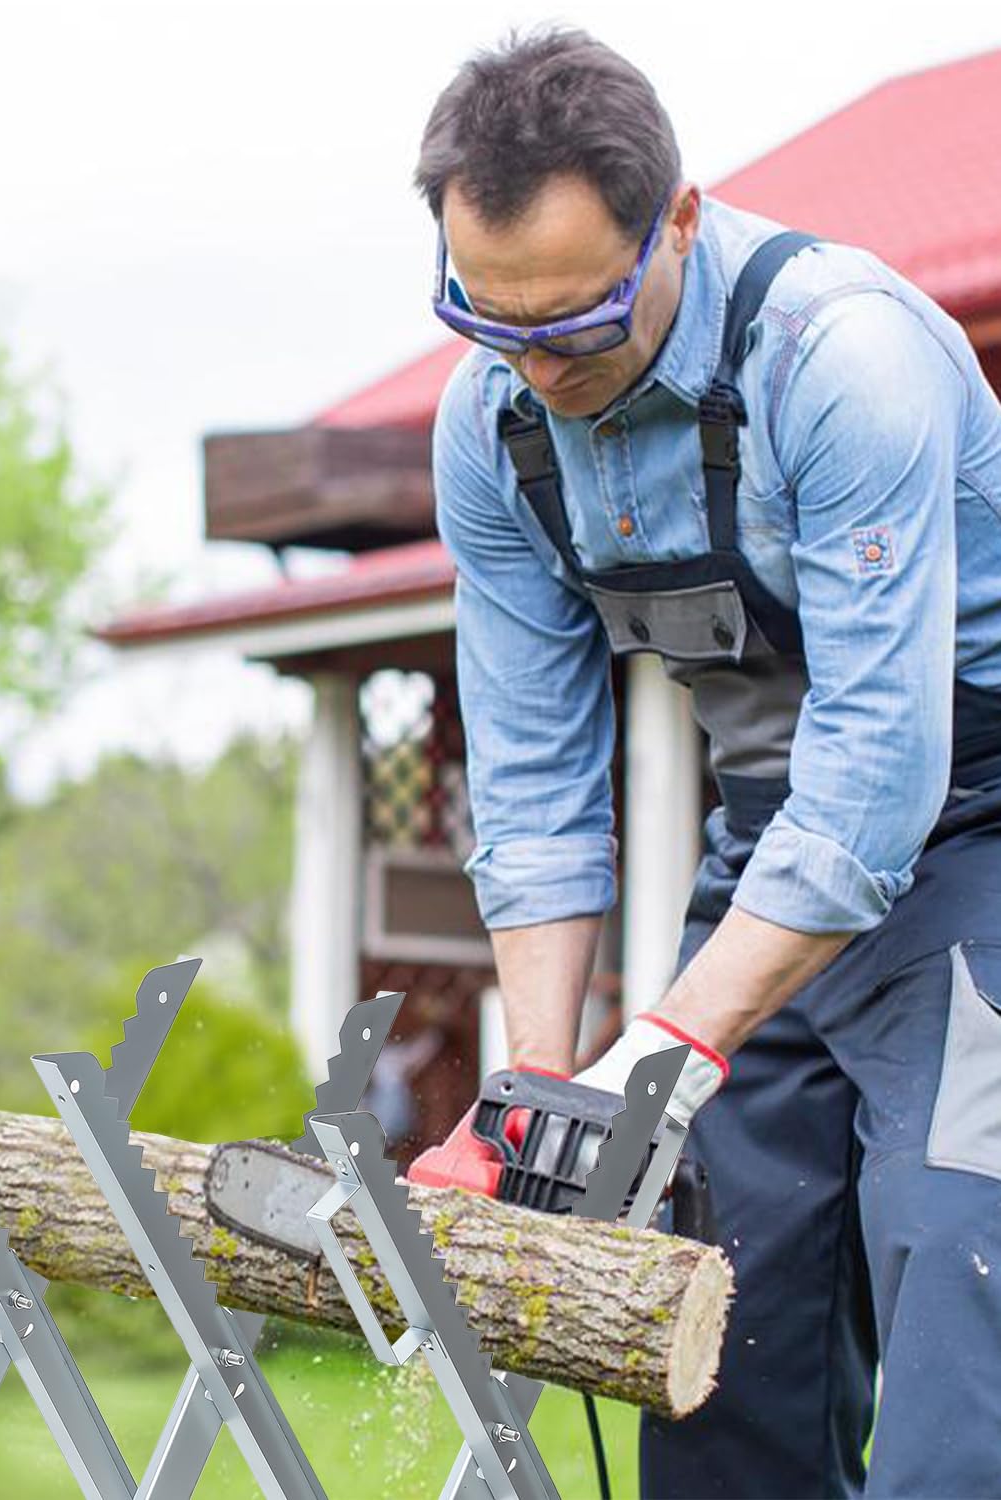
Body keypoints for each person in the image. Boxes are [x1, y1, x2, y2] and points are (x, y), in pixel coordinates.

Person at [405, 25, 1001, 1499]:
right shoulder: (493, 422)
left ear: (676, 220)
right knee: (712, 1301)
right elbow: (539, 784)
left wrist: (666, 1047)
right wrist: (547, 1083)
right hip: (769, 840)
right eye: (493, 324)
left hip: (973, 828)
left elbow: (879, 773)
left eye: (577, 326)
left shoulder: (839, 359)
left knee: (960, 1270)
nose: (535, 368)